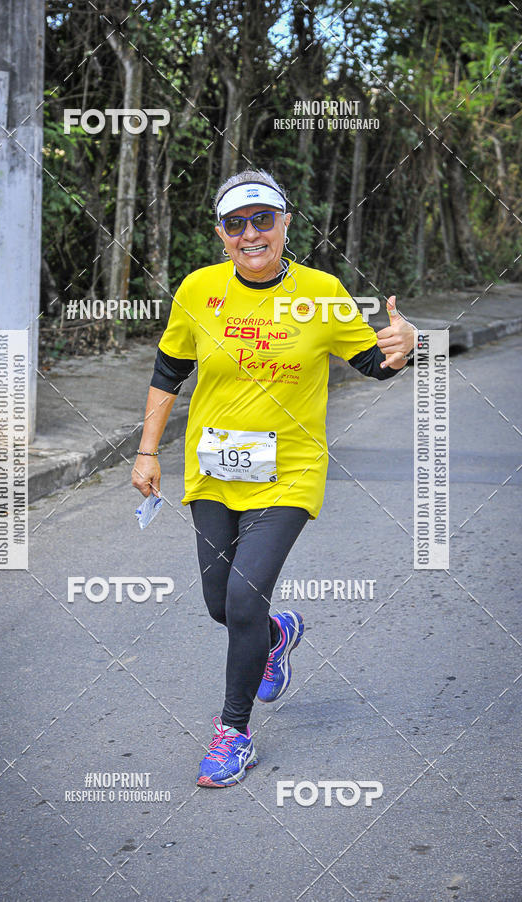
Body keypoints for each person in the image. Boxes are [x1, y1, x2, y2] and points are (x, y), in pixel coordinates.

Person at [132, 168, 415, 788]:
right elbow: (167, 372)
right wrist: (148, 451)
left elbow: (375, 363)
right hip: (212, 468)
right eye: (237, 224)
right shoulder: (199, 291)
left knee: (242, 598)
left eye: (263, 219)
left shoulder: (321, 292)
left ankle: (233, 733)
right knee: (220, 604)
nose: (250, 233)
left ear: (286, 224)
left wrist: (405, 347)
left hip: (289, 471)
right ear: (221, 233)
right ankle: (278, 633)